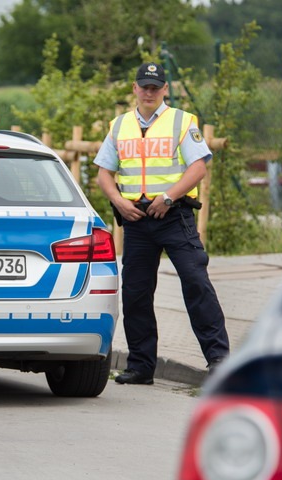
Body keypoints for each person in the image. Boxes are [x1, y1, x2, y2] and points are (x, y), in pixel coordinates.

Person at [94, 62, 229, 385]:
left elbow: (198, 168)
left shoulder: (181, 122)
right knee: (136, 293)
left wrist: (168, 197)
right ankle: (141, 366)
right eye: (145, 86)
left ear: (165, 89)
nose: (150, 92)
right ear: (135, 88)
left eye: (156, 87)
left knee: (196, 281)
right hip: (136, 219)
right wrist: (119, 202)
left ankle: (220, 360)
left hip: (173, 215)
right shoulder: (119, 126)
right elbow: (103, 174)